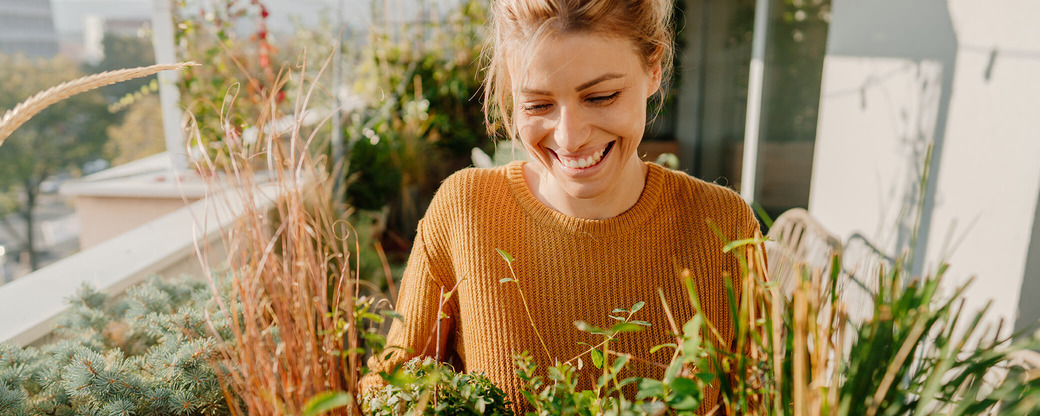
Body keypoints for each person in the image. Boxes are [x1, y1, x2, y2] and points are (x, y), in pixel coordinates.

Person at [360, 0, 763, 413]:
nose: (570, 138)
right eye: (537, 105)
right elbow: (389, 386)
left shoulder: (723, 227)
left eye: (602, 96)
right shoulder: (466, 211)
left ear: (654, 68)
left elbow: (763, 401)